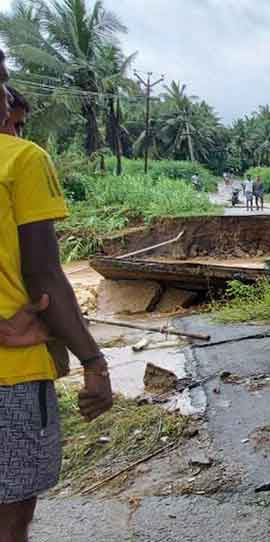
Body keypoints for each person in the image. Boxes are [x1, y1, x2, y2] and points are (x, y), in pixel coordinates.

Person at [0, 59, 113, 541]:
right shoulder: (21, 159)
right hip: (12, 374)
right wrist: (94, 362)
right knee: (9, 522)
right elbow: (44, 274)